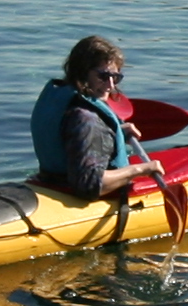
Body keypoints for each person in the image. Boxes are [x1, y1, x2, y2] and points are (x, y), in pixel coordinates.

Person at [32, 35, 152, 197]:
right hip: (75, 195)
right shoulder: (86, 118)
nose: (110, 85)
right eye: (103, 76)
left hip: (49, 183)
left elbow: (70, 136)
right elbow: (90, 184)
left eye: (115, 77)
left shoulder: (62, 99)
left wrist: (113, 132)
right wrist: (142, 169)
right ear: (82, 73)